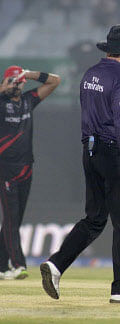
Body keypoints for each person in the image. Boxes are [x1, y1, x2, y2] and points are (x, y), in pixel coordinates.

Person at [39, 24, 120, 303]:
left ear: (107, 48)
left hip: (89, 151)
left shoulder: (90, 74)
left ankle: (56, 264)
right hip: (113, 154)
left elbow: (87, 114)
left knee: (95, 218)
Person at [0, 66, 60, 280]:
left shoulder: (28, 100)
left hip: (26, 168)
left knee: (14, 220)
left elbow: (55, 81)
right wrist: (3, 88)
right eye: (12, 80)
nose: (17, 84)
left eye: (19, 80)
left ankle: (1, 266)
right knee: (10, 217)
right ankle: (18, 264)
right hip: (5, 168)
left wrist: (31, 74)